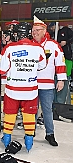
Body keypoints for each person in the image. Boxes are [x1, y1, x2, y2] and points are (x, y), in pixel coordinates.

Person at [0, 22, 47, 152]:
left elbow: (1, 70)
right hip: (30, 90)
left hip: (12, 89)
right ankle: (29, 141)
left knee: (10, 114)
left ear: (16, 34)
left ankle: (7, 138)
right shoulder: (38, 48)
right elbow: (42, 66)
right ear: (29, 33)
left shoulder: (9, 48)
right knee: (29, 115)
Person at [32, 16, 67, 146]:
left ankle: (50, 134)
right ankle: (31, 131)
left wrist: (61, 79)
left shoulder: (53, 45)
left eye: (37, 30)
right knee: (32, 109)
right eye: (33, 30)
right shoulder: (29, 45)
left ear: (44, 30)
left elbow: (60, 63)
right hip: (32, 84)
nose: (34, 32)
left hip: (47, 85)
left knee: (47, 110)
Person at [55, 25, 73, 105]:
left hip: (67, 58)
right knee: (65, 83)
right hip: (65, 58)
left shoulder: (64, 32)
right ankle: (63, 105)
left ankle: (62, 105)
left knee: (66, 80)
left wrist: (65, 42)